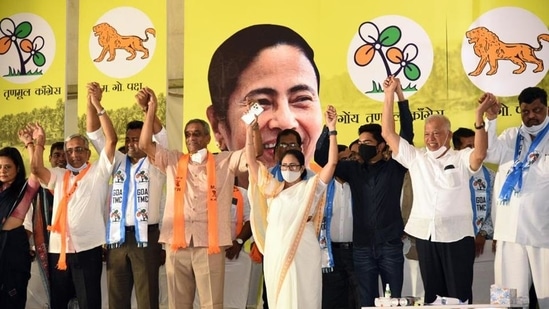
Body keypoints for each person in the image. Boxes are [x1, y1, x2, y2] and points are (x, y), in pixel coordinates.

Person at [139, 94, 261, 309]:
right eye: (188, 134)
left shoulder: (225, 160)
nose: (191, 138)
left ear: (207, 137)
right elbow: (144, 144)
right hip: (177, 243)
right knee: (177, 304)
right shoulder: (174, 160)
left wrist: (253, 122)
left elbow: (256, 151)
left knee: (212, 303)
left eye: (197, 134)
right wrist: (151, 110)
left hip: (209, 245)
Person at [380, 76, 495, 304]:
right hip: (425, 235)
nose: (431, 138)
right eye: (427, 134)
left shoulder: (461, 158)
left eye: (437, 133)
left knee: (459, 295)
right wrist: (389, 95)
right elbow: (387, 134)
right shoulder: (416, 157)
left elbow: (480, 154)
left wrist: (479, 119)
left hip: (457, 236)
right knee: (433, 296)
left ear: (448, 135)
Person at [315, 77, 414, 307]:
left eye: (367, 142)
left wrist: (400, 97)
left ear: (381, 145)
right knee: (366, 303)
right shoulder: (353, 169)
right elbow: (322, 159)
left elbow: (406, 134)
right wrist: (329, 129)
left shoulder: (395, 166)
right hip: (362, 250)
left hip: (390, 245)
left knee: (395, 302)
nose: (362, 146)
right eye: (360, 142)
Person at [28, 81, 117, 309]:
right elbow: (36, 170)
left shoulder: (98, 170)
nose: (74, 154)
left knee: (89, 303)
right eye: (69, 151)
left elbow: (111, 140)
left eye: (79, 149)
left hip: (88, 249)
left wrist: (98, 105)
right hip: (59, 249)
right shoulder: (59, 174)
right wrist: (38, 143)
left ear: (88, 152)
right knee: (58, 303)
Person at [246, 105, 338, 308]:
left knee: (304, 297)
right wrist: (249, 129)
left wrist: (332, 129)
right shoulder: (272, 188)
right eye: (285, 166)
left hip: (304, 251)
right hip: (276, 251)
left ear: (301, 168)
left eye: (294, 166)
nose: (289, 170)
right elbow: (251, 161)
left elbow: (331, 164)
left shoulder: (311, 188)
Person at [88, 87, 167, 309]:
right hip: (117, 238)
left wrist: (149, 109)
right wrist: (94, 103)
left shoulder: (156, 162)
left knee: (147, 299)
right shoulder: (117, 161)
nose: (132, 143)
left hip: (146, 238)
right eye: (129, 139)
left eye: (137, 138)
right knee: (117, 298)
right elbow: (95, 134)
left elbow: (162, 135)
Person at [206, 24, 323, 169]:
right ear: (218, 126)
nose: (286, 122)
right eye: (262, 102)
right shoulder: (200, 188)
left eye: (301, 99)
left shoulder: (336, 189)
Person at [484, 86, 549, 308]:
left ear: (546, 107)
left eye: (537, 110)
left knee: (547, 297)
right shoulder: (510, 136)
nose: (531, 116)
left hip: (543, 232)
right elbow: (488, 152)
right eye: (525, 111)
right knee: (507, 299)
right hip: (508, 231)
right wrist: (491, 120)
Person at [0, 145, 39, 309]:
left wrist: (32, 145)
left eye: (7, 167)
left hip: (14, 252)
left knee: (13, 299)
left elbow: (36, 173)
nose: (2, 171)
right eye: (0, 167)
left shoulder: (25, 190)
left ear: (18, 168)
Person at [452, 127, 495, 257]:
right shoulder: (449, 175)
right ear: (457, 151)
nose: (474, 151)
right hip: (454, 240)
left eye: (475, 146)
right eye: (468, 147)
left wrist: (482, 233)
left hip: (484, 242)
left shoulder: (490, 175)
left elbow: (496, 208)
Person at [223, 185, 253, 309]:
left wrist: (239, 242)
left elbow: (251, 220)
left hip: (234, 255)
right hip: (208, 255)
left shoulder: (243, 194)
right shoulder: (202, 190)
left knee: (234, 301)